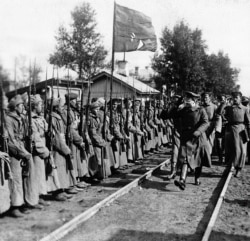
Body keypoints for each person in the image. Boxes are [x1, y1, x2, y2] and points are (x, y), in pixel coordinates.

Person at [166, 91, 209, 190]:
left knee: (198, 159)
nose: (186, 100)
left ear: (194, 100)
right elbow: (170, 115)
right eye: (185, 99)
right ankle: (182, 180)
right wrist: (177, 105)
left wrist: (198, 131)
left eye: (188, 99)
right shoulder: (183, 110)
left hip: (198, 137)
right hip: (186, 136)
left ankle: (197, 178)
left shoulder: (200, 110)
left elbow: (205, 123)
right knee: (184, 157)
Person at [6, 95, 33, 217]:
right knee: (15, 179)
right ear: (15, 107)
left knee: (22, 178)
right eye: (21, 105)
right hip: (14, 153)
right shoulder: (8, 119)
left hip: (21, 149)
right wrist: (23, 153)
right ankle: (14, 207)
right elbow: (11, 141)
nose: (23, 107)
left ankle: (21, 203)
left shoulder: (20, 117)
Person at [224, 91, 250, 177]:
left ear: (240, 98)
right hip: (230, 130)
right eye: (233, 97)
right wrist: (225, 104)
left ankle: (239, 168)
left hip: (240, 130)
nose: (234, 99)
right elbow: (222, 115)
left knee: (241, 150)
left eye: (236, 97)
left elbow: (248, 122)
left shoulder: (244, 108)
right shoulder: (229, 108)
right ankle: (230, 166)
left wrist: (248, 134)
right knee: (230, 149)